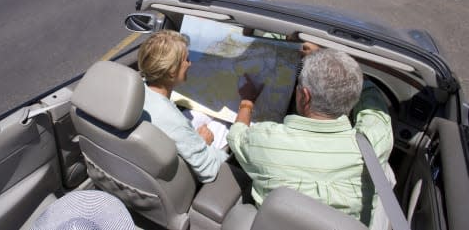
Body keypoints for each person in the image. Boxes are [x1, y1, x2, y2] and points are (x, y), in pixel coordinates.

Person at [227, 48, 393, 227]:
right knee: (387, 173)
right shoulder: (373, 143)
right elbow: (375, 109)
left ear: (305, 96)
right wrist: (352, 79)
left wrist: (247, 102)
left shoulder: (264, 141)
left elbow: (236, 134)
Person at [138, 30, 229, 182]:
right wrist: (203, 144)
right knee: (225, 124)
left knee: (204, 114)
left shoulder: (137, 90)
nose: (190, 63)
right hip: (182, 179)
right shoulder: (173, 120)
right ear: (172, 72)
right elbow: (209, 170)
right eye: (187, 59)